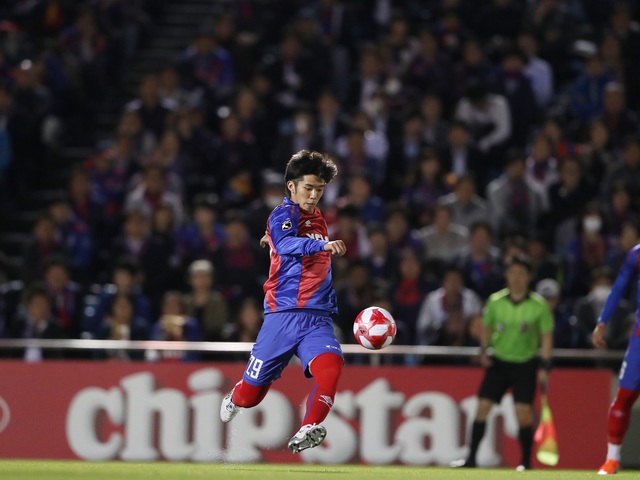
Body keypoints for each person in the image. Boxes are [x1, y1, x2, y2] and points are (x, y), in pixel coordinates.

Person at [219, 149, 346, 454]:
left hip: (317, 317)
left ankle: (309, 427)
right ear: (291, 186)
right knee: (251, 397)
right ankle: (235, 397)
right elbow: (287, 241)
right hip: (283, 316)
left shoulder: (317, 218)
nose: (314, 195)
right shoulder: (282, 214)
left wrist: (271, 239)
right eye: (308, 188)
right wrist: (320, 246)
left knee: (331, 367)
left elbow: (283, 239)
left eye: (319, 189)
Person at [452, 255, 553, 471]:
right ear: (506, 275)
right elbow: (486, 327)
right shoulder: (495, 301)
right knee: (482, 408)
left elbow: (546, 337)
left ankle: (526, 462)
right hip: (498, 362)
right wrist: (483, 351)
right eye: (512, 273)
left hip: (525, 364)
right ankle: (471, 459)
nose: (516, 278)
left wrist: (545, 365)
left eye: (521, 273)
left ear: (528, 277)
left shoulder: (539, 306)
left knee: (523, 413)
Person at [592, 242, 640, 475]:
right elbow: (619, 287)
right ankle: (612, 459)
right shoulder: (636, 254)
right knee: (624, 396)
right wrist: (603, 321)